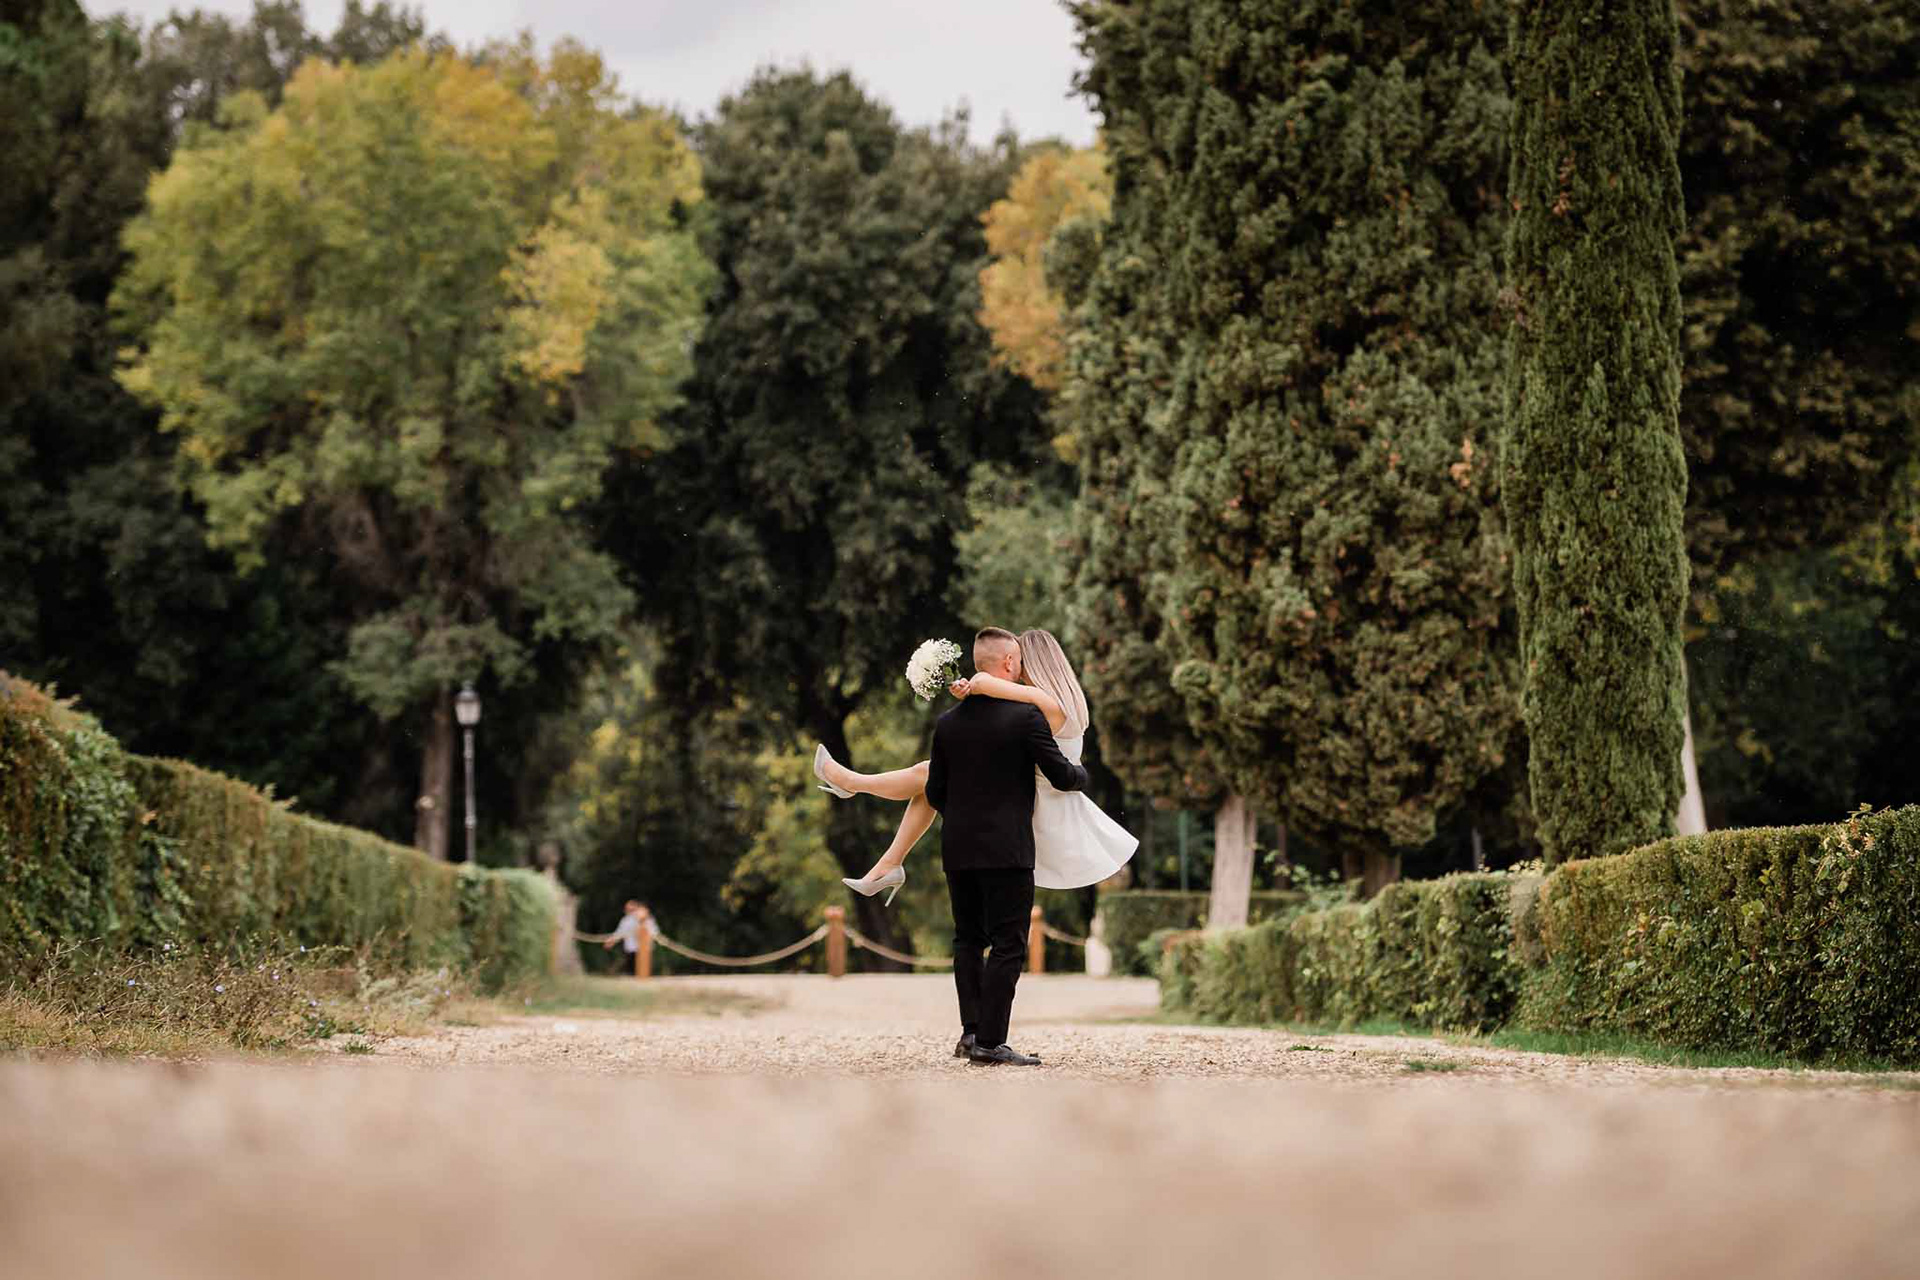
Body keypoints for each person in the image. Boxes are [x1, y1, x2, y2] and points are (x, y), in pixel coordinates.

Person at [813, 627, 1138, 900]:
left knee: (932, 773)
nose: (1015, 670)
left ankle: (852, 785)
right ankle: (890, 862)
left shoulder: (1049, 706)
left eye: (1020, 662)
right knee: (933, 776)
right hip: (1023, 797)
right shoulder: (1057, 703)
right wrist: (969, 693)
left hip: (1035, 808)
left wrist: (974, 687)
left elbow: (986, 684)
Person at [924, 627, 1092, 1065]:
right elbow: (1061, 776)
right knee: (1008, 944)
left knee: (967, 939)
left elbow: (934, 792)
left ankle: (969, 1034)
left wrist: (965, 817)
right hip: (1007, 850)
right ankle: (990, 1042)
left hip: (958, 848)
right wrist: (1083, 775)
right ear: (1009, 663)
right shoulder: (1026, 718)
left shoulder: (947, 723)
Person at [602, 900, 648, 974]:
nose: (629, 911)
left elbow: (653, 931)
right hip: (630, 949)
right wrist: (611, 941)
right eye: (627, 909)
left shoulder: (646, 919)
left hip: (642, 949)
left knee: (642, 971)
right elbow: (619, 933)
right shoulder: (626, 920)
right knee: (630, 970)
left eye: (631, 909)